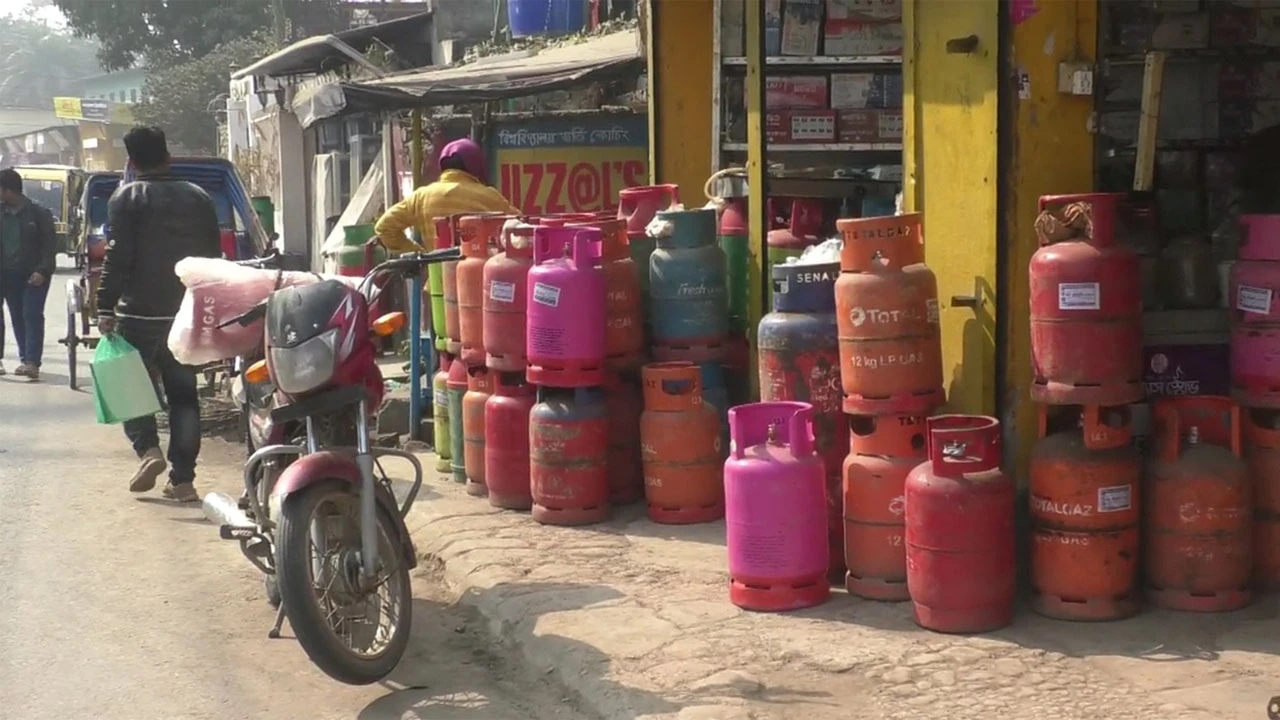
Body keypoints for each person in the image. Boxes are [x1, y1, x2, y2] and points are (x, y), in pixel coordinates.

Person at [96, 126, 221, 503]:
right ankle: (183, 480)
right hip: (185, 312)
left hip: (137, 315)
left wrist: (104, 306)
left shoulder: (126, 198)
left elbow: (118, 258)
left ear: (131, 162)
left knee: (128, 386)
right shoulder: (199, 197)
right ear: (168, 156)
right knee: (184, 395)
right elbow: (212, 258)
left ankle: (148, 451)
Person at [374, 138, 520, 252]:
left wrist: (422, 256)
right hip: (478, 283)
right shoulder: (489, 196)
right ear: (476, 165)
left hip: (436, 283)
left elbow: (384, 227)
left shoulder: (421, 196)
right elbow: (521, 227)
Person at [0, 168, 56, 381]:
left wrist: (42, 270)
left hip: (33, 275)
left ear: (7, 190)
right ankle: (21, 358)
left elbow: (49, 247)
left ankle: (31, 362)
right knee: (16, 316)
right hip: (6, 274)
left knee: (31, 314)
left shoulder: (39, 214)